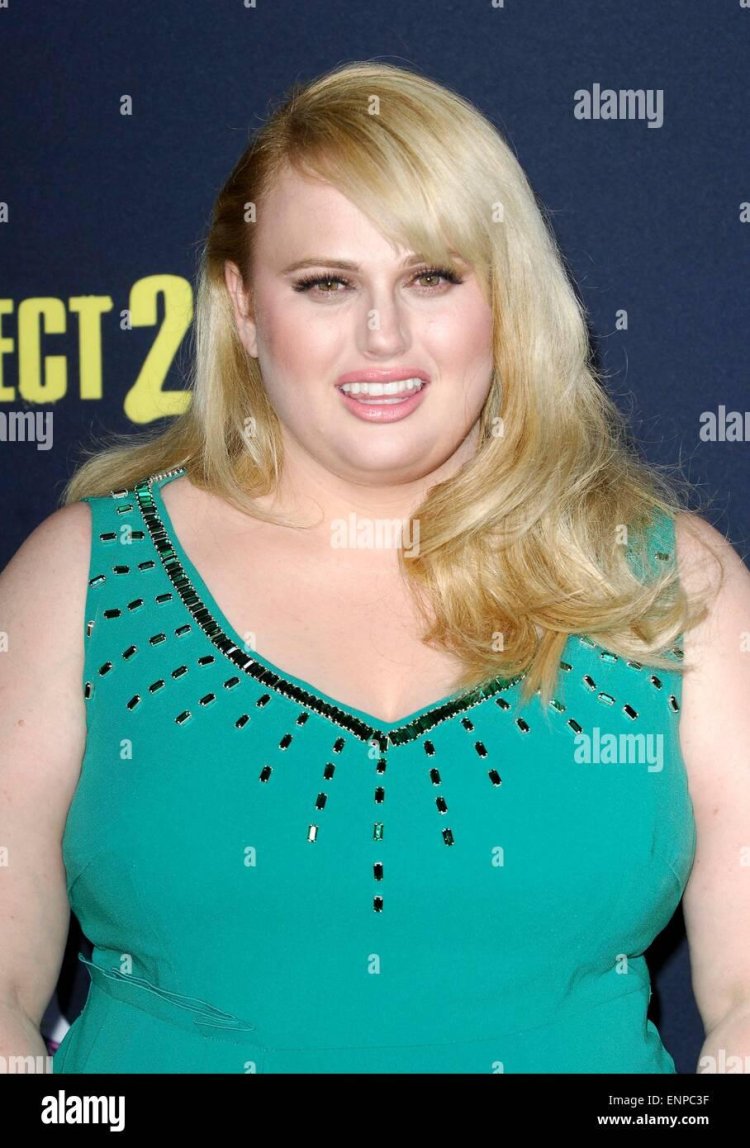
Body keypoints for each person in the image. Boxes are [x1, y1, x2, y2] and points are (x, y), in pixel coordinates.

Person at [1, 59, 749, 1076]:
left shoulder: (667, 584)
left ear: (506, 297)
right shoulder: (79, 580)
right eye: (326, 284)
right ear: (243, 307)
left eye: (432, 277)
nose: (383, 335)